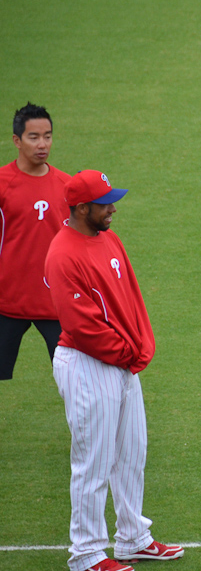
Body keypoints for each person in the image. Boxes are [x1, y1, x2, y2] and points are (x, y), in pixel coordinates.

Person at [45, 170, 183, 571]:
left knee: (131, 454)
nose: (113, 209)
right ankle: (86, 553)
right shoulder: (63, 253)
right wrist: (127, 352)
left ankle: (132, 537)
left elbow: (130, 297)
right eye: (105, 203)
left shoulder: (108, 239)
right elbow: (81, 324)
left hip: (121, 363)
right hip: (87, 364)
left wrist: (140, 346)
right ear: (82, 208)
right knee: (93, 462)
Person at [0, 103, 70, 380]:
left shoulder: (67, 186)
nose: (42, 144)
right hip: (6, 301)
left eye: (47, 136)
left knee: (73, 375)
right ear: (17, 141)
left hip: (54, 301)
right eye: (34, 137)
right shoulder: (2, 183)